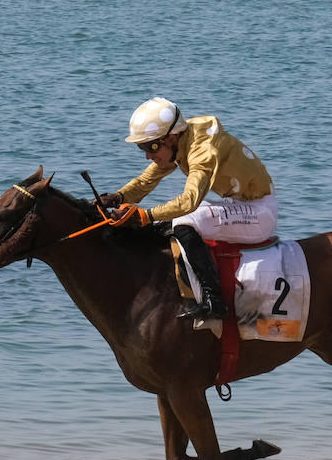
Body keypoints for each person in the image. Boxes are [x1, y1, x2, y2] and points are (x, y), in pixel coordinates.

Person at [102, 97, 277, 319]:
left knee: (186, 219)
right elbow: (146, 181)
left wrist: (145, 215)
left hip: (260, 213)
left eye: (150, 147)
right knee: (164, 222)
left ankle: (214, 302)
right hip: (240, 206)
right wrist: (118, 197)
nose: (147, 155)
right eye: (142, 148)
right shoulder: (180, 141)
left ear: (171, 137)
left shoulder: (202, 149)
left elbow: (189, 201)